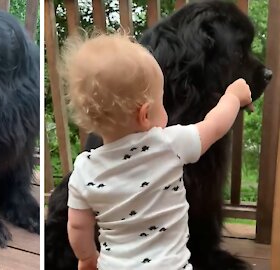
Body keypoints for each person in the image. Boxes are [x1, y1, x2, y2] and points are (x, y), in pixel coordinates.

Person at [63, 33, 252, 270]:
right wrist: (233, 97)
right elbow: (215, 125)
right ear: (145, 115)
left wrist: (87, 258)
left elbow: (78, 226)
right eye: (161, 101)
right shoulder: (169, 145)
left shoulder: (84, 170)